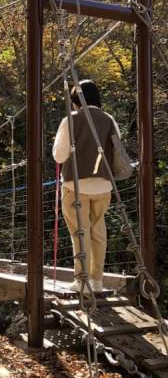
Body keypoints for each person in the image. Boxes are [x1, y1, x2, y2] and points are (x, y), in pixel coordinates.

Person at [52, 80, 121, 293]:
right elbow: (117, 150)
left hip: (75, 186)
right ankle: (97, 281)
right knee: (98, 231)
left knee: (79, 232)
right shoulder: (109, 120)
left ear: (75, 101)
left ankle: (81, 280)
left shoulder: (71, 120)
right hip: (103, 185)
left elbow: (59, 155)